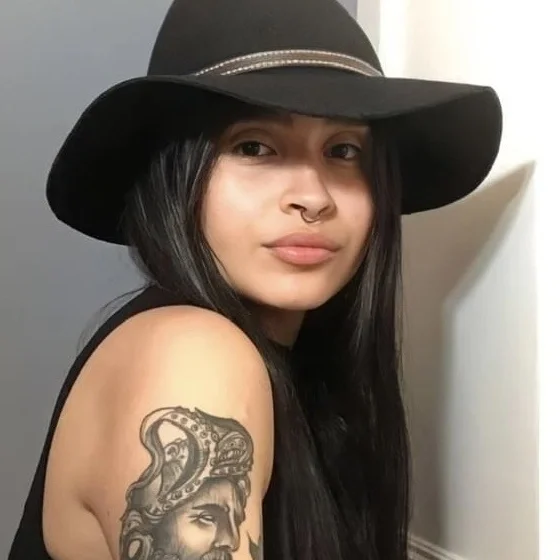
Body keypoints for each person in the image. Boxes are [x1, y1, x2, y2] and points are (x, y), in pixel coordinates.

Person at [8, 0, 502, 559]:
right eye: (254, 147)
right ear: (177, 176)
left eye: (344, 151)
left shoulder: (308, 377)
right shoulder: (194, 356)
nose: (313, 197)